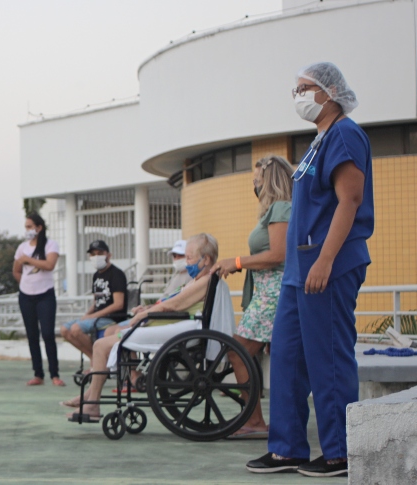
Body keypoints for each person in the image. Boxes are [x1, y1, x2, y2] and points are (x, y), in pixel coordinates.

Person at [245, 62, 373, 478]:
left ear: (330, 92)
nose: (297, 95)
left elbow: (349, 202)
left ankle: (339, 452)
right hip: (299, 271)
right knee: (286, 355)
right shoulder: (316, 142)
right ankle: (287, 448)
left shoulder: (346, 134)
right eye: (296, 88)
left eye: (305, 87)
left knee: (328, 357)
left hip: (328, 265)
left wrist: (325, 258)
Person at [61, 233, 219, 418]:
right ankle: (90, 398)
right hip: (166, 324)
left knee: (100, 345)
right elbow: (172, 302)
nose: (186, 262)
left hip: (169, 327)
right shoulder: (199, 280)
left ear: (206, 259)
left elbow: (174, 305)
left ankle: (92, 404)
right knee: (102, 344)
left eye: (189, 257)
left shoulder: (204, 280)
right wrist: (148, 308)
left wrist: (144, 314)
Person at [211, 155, 293, 439]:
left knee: (238, 350)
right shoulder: (275, 210)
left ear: (269, 180)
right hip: (267, 291)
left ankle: (255, 421)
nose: (254, 185)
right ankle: (255, 418)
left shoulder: (281, 208)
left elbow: (277, 256)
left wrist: (236, 262)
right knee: (246, 351)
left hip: (274, 291)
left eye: (256, 180)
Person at [13, 212, 64, 386]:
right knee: (32, 335)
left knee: (48, 334)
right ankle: (38, 374)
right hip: (26, 296)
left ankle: (54, 374)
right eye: (26, 227)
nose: (27, 230)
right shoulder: (22, 247)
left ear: (39, 227)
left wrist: (29, 260)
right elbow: (16, 269)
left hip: (45, 295)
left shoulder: (51, 245)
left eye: (30, 226)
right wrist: (25, 284)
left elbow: (49, 265)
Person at [60, 240, 127, 364]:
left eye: (100, 253)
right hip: (97, 317)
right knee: (64, 330)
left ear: (109, 255)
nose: (96, 257)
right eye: (93, 254)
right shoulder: (96, 275)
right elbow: (96, 302)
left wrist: (92, 316)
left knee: (76, 329)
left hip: (112, 318)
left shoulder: (117, 274)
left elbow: (118, 304)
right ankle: (95, 359)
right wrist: (86, 315)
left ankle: (97, 361)